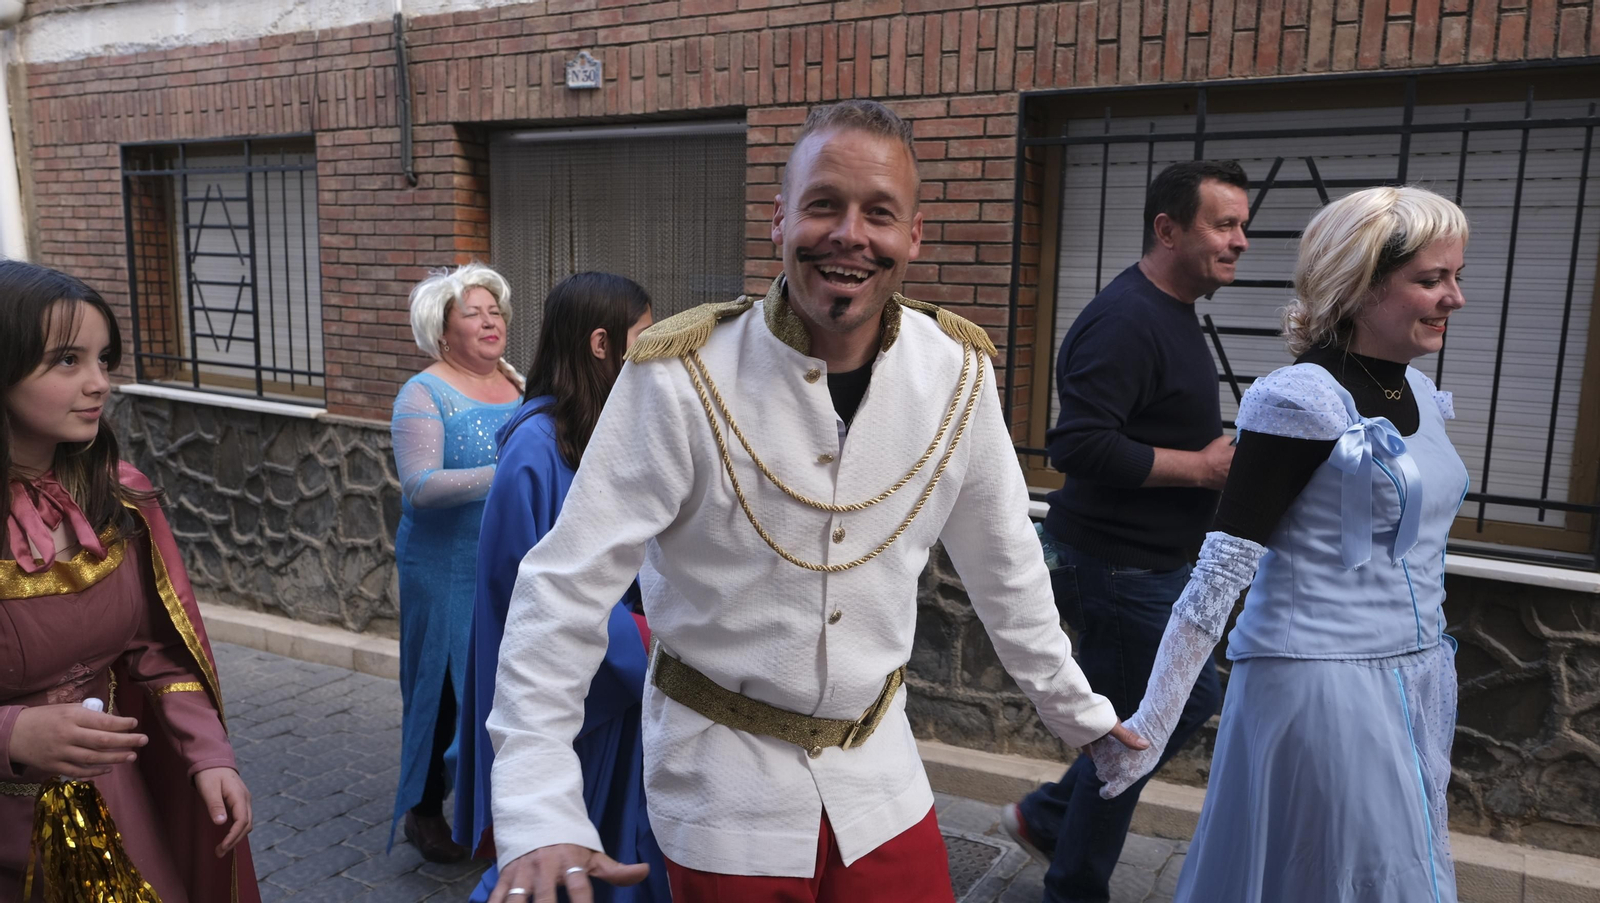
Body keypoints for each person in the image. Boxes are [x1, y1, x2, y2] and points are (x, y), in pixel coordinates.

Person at [484, 99, 1144, 903]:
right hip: (722, 791)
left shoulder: (958, 373)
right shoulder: (678, 376)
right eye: (824, 204)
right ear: (779, 219)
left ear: (915, 236)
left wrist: (1081, 715)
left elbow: (1007, 573)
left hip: (882, 781)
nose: (850, 235)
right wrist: (538, 803)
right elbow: (563, 589)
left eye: (879, 213)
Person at [1089, 186, 1470, 902]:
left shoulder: (1418, 388)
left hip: (1415, 678)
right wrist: (1153, 720)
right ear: (1360, 283)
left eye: (1455, 276)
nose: (1454, 297)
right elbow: (1221, 570)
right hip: (1322, 683)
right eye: (1431, 279)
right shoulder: (1300, 398)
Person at [1002, 160, 1249, 903]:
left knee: (1168, 712)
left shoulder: (1170, 309)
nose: (1240, 241)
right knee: (1133, 737)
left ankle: (1049, 816)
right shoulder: (1126, 319)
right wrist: (1201, 468)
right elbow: (1075, 444)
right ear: (1167, 229)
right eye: (1222, 224)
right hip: (1115, 569)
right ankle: (1072, 881)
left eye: (1243, 225)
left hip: (1151, 567)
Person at [0, 260, 258, 902]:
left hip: (120, 809)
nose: (99, 384)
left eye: (103, 360)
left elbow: (154, 649)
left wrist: (208, 752)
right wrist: (11, 734)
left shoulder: (121, 495)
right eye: (67, 361)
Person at [455, 272, 667, 903]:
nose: (652, 357)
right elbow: (532, 601)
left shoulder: (605, 426)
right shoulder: (534, 450)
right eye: (643, 339)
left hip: (618, 682)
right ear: (602, 345)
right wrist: (642, 639)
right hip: (577, 693)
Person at [389, 262, 524, 862]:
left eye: (494, 310)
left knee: (500, 688)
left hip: (505, 564)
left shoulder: (518, 381)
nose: (489, 320)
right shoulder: (423, 392)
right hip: (443, 569)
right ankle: (423, 810)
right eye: (473, 312)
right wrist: (508, 477)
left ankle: (495, 805)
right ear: (442, 333)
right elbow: (421, 485)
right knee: (442, 689)